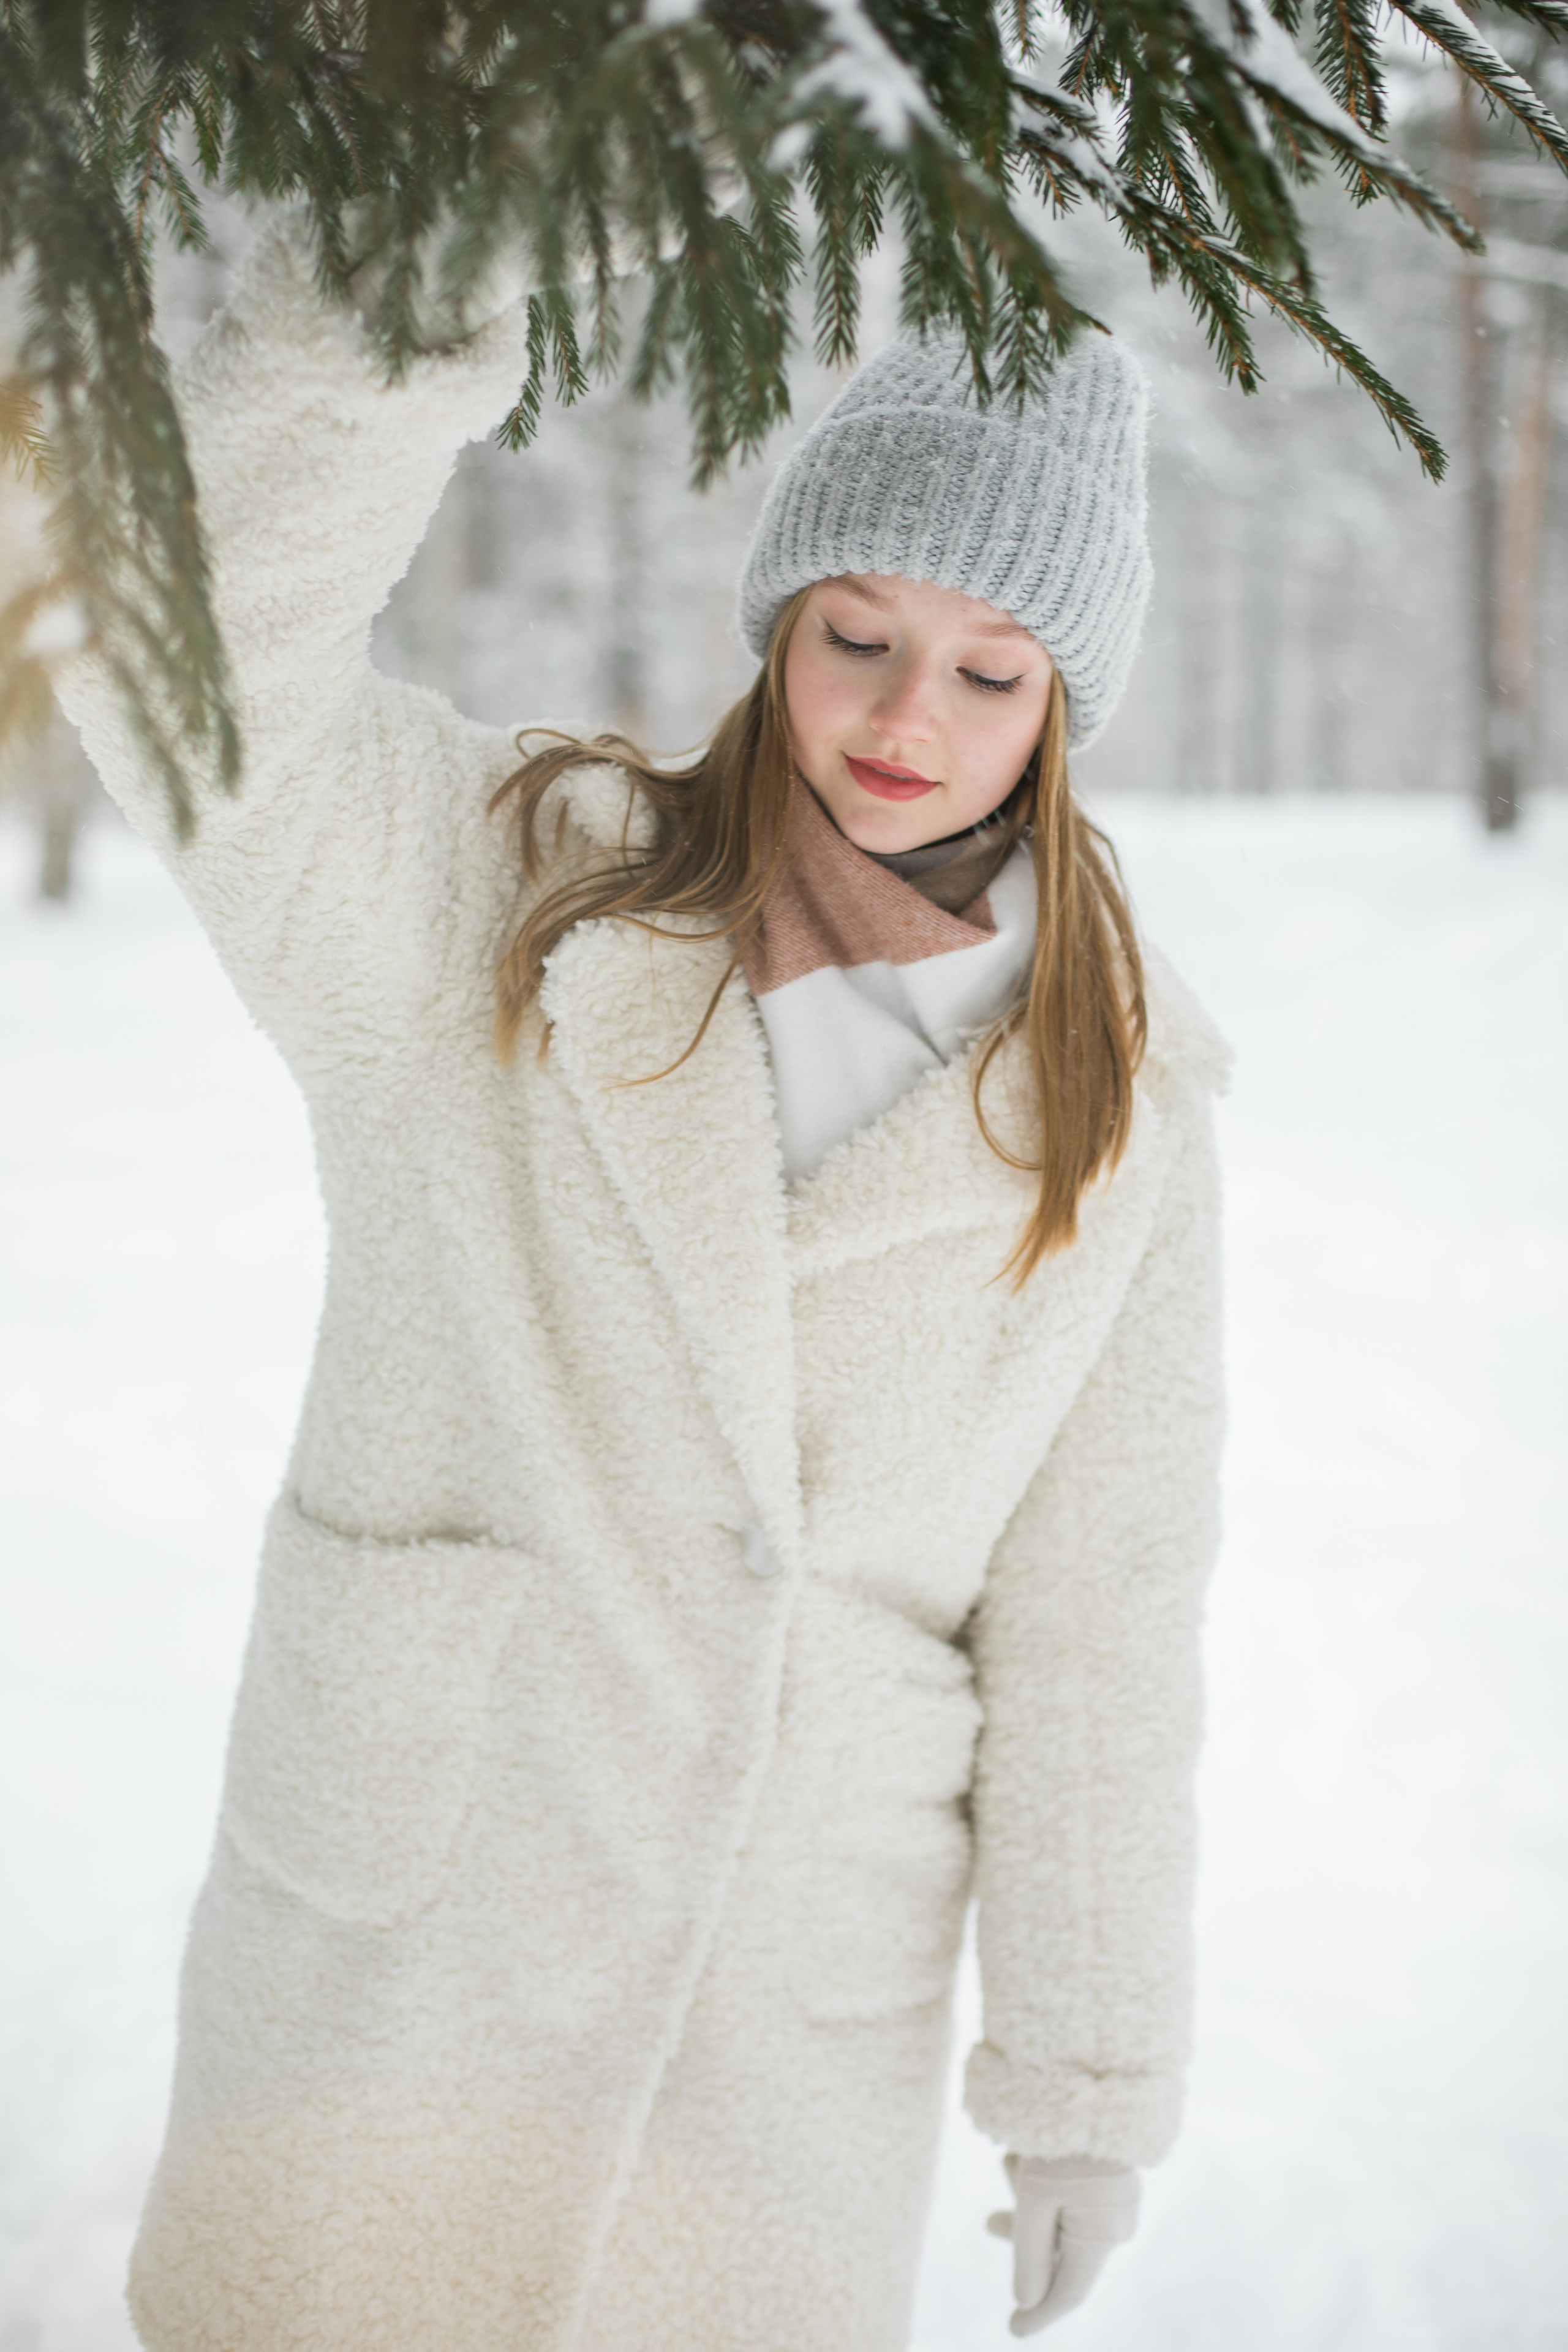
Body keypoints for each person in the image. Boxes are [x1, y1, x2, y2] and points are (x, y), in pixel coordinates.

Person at [60, 212, 1228, 2352]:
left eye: (992, 672)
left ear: (1070, 705)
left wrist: (1085, 2082)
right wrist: (407, 234)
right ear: (775, 613)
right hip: (418, 1911)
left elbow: (1099, 1617)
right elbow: (185, 635)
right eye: (857, 632)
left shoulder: (1121, 1096)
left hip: (787, 1998)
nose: (906, 719)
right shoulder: (494, 889)